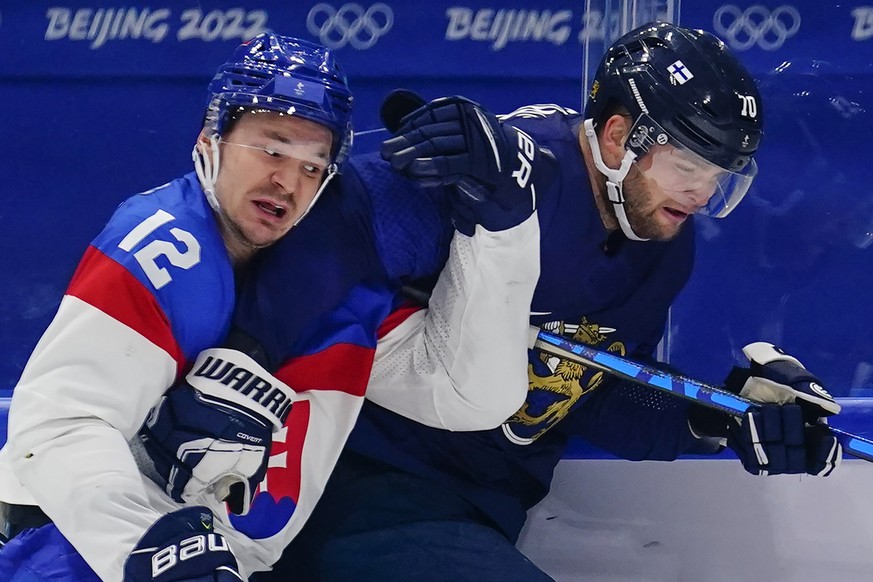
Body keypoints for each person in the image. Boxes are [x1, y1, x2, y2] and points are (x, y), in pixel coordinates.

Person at [254, 22, 844, 581]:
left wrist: (717, 416)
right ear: (617, 136)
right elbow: (305, 245)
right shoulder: (507, 169)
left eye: (720, 174)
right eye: (687, 164)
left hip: (473, 514)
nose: (702, 191)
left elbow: (585, 389)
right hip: (354, 485)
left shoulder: (663, 241)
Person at [0, 31, 542, 581]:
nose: (287, 181)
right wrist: (152, 555)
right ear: (212, 136)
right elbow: (59, 428)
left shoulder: (340, 282)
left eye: (313, 166)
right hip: (80, 553)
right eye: (272, 149)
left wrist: (505, 227)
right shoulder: (165, 247)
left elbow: (469, 396)